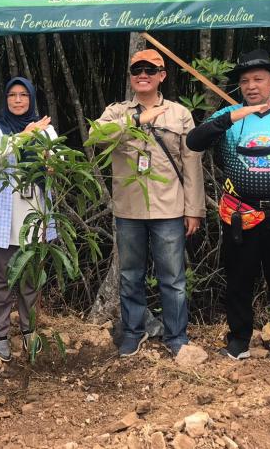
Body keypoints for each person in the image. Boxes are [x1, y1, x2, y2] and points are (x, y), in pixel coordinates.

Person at [186, 49, 270, 379]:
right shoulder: (229, 116)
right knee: (238, 279)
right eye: (245, 81)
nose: (251, 86)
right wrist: (232, 116)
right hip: (240, 212)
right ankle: (238, 341)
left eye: (259, 79)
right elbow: (194, 141)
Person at [92, 48, 205, 358]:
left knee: (173, 277)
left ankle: (176, 336)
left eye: (150, 70)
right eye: (137, 70)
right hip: (129, 209)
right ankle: (132, 331)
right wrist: (138, 120)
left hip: (169, 207)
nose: (143, 75)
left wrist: (194, 209)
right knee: (130, 275)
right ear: (131, 77)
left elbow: (191, 162)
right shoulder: (116, 112)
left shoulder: (180, 113)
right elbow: (95, 136)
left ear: (162, 76)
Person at [0, 77, 57, 362]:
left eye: (23, 95)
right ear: (5, 99)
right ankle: (0, 333)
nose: (17, 100)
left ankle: (29, 330)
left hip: (36, 215)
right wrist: (26, 135)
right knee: (2, 279)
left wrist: (52, 162)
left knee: (31, 280)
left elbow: (58, 158)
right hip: (8, 218)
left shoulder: (46, 129)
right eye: (12, 95)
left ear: (31, 99)